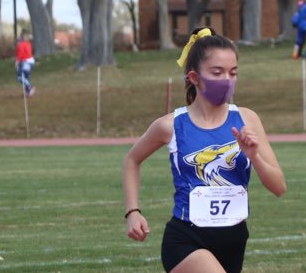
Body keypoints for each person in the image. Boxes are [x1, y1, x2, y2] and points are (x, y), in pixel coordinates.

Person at [123, 28, 287, 272]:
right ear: (194, 77)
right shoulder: (171, 124)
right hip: (187, 240)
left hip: (234, 240)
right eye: (217, 72)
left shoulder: (247, 119)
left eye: (233, 73)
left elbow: (279, 187)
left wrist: (255, 157)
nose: (227, 80)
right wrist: (132, 212)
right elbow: (132, 160)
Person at [16, 32, 35, 98]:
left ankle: (30, 87)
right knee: (26, 77)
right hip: (31, 61)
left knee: (20, 77)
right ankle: (28, 92)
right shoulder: (28, 44)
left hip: (26, 62)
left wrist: (17, 62)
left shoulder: (21, 44)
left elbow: (20, 54)